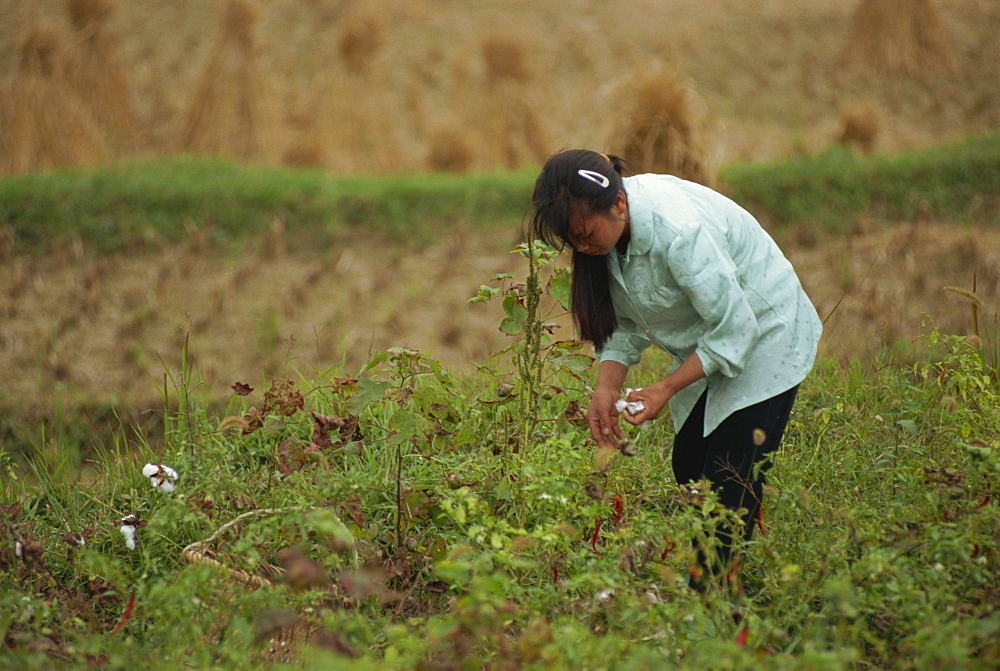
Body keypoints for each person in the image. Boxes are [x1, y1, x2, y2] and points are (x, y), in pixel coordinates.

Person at [528, 149, 822, 587]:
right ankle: (730, 572)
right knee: (689, 467)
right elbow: (623, 324)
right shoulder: (604, 242)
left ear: (619, 204)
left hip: (764, 334)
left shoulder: (679, 230)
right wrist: (606, 388)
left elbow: (736, 327)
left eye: (585, 235)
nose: (582, 249)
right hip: (707, 341)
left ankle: (714, 601)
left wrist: (665, 388)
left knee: (727, 482)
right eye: (572, 242)